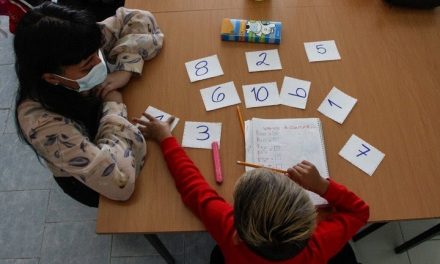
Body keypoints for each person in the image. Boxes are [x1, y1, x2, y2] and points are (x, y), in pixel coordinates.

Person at [134, 114, 370, 264]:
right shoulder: (316, 248)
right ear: (310, 226)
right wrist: (322, 186)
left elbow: (192, 186)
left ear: (237, 234)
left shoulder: (230, 233)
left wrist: (165, 137)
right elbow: (359, 212)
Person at [13, 2, 164, 207]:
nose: (99, 64)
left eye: (97, 54)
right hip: (89, 180)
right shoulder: (40, 123)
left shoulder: (79, 44)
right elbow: (119, 182)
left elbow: (139, 18)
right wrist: (113, 107)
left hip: (111, 135)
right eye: (86, 67)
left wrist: (126, 67)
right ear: (52, 78)